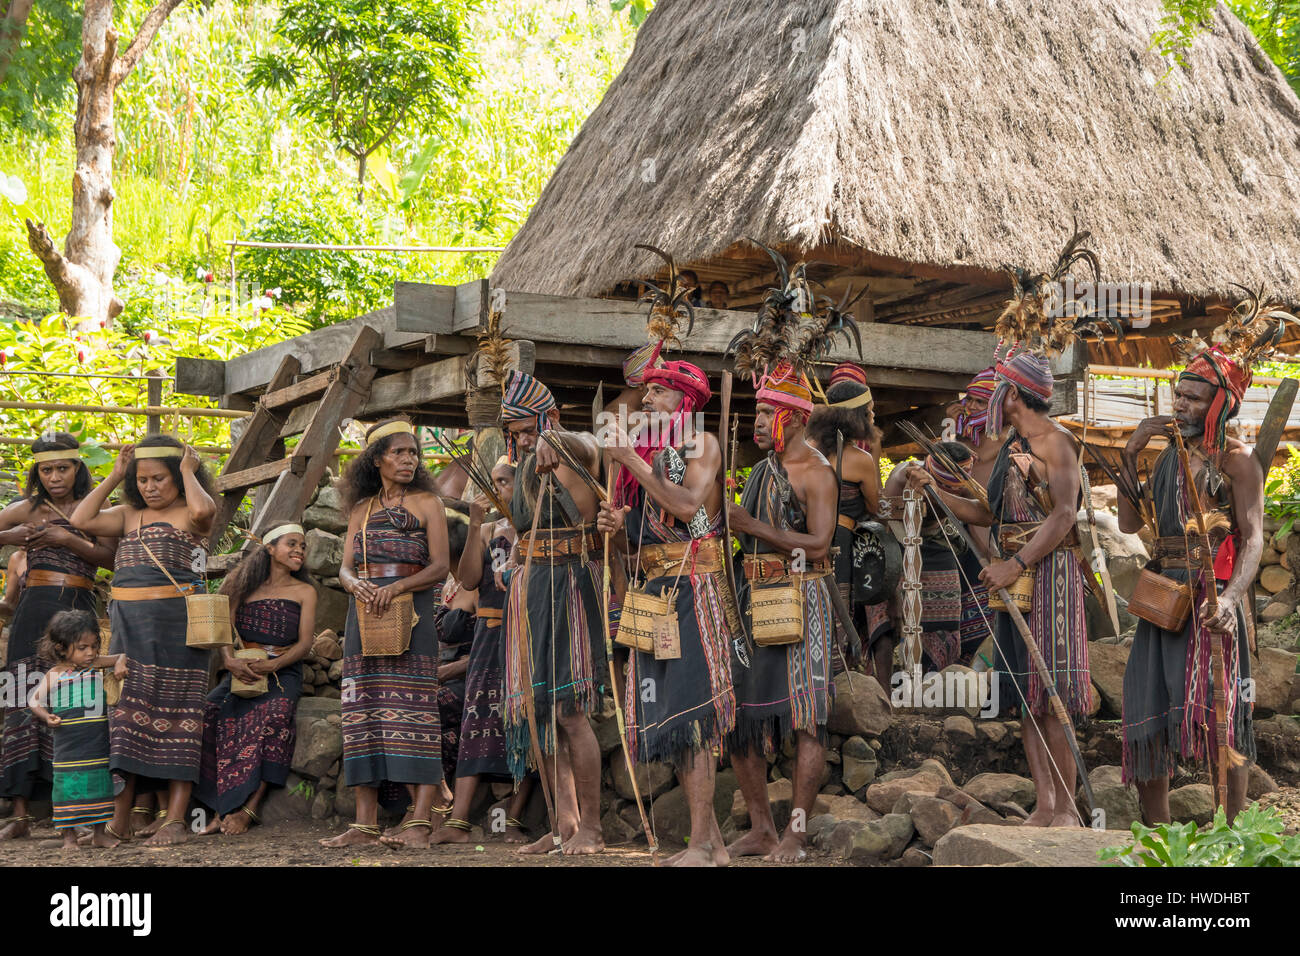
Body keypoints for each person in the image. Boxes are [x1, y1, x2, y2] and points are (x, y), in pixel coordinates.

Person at [915, 350, 1089, 827]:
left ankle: (1070, 809)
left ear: (1012, 394)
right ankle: (1046, 805)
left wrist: (1015, 562)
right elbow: (989, 516)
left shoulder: (1058, 444)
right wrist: (934, 489)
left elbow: (1064, 515)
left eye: (996, 389)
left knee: (1052, 694)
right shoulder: (1006, 448)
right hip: (1013, 576)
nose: (990, 400)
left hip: (1050, 575)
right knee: (1024, 695)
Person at [597, 360, 736, 867]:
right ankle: (712, 845)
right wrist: (618, 521)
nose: (646, 401)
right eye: (646, 392)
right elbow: (648, 527)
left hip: (692, 590)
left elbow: (687, 507)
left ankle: (702, 843)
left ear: (683, 399)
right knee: (675, 719)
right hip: (654, 589)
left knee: (693, 714)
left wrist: (629, 459)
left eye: (657, 392)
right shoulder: (653, 456)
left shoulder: (702, 445)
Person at [1119, 346, 1263, 824]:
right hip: (1163, 597)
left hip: (1212, 598)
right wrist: (1131, 451)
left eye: (1194, 399)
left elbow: (1255, 538)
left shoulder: (1237, 462)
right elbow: (1124, 523)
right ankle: (1158, 834)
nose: (1179, 405)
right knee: (1146, 710)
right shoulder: (1165, 456)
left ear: (1221, 404)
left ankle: (1230, 832)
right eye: (1178, 395)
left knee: (1222, 718)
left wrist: (1231, 599)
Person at [70, 434, 217, 845]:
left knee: (180, 717)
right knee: (124, 719)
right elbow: (81, 520)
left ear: (178, 477)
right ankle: (119, 820)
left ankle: (174, 819)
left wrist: (189, 470)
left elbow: (207, 509)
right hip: (128, 627)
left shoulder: (190, 512)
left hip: (176, 629)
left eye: (161, 479)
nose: (151, 487)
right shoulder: (127, 514)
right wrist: (114, 475)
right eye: (144, 479)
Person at [726, 363, 840, 862]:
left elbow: (818, 545)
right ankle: (760, 830)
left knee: (806, 718)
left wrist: (750, 523)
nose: (758, 419)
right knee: (741, 720)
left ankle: (795, 832)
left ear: (792, 418)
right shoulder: (761, 469)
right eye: (757, 410)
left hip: (803, 600)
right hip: (754, 598)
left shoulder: (817, 471)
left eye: (768, 411)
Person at [320, 418, 450, 850]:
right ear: (376, 460)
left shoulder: (428, 502)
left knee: (416, 713)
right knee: (364, 714)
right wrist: (353, 584)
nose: (409, 460)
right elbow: (343, 566)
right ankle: (364, 823)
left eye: (413, 453)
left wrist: (395, 587)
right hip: (364, 618)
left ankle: (419, 822)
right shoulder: (361, 510)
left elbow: (439, 567)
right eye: (399, 452)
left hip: (412, 616)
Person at [500, 370, 607, 856]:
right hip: (534, 585)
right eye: (516, 433)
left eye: (530, 429)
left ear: (551, 418)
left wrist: (555, 437)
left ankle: (593, 830)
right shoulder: (524, 467)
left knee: (569, 710)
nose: (524, 440)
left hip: (569, 583)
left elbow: (591, 444)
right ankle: (563, 825)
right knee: (539, 710)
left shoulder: (568, 446)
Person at [0, 434, 115, 841]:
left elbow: (110, 558)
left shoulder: (94, 509)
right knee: (19, 701)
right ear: (37, 472)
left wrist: (68, 539)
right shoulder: (25, 509)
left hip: (79, 608)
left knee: (77, 703)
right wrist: (9, 538)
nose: (54, 477)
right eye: (46, 470)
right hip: (33, 609)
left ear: (78, 468)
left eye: (62, 468)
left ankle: (76, 813)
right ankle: (20, 816)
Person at [432, 458, 535, 845]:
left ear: (523, 486)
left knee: (522, 726)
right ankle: (458, 822)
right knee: (476, 725)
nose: (496, 490)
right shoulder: (488, 529)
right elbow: (471, 580)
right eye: (492, 483)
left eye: (504, 482)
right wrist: (475, 523)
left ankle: (513, 819)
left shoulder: (538, 528)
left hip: (525, 634)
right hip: (490, 636)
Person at [198, 522, 316, 834]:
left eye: (302, 546)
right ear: (270, 548)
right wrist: (229, 660)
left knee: (274, 718)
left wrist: (274, 666)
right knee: (208, 713)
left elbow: (304, 644)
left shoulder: (305, 591)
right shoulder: (243, 585)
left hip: (282, 673)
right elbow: (222, 625)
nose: (299, 551)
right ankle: (217, 809)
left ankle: (249, 808)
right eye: (292, 544)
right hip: (242, 670)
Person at [27, 609, 126, 849]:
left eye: (93, 646)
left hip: (96, 742)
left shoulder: (94, 665)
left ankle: (99, 834)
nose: (90, 653)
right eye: (82, 648)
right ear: (62, 648)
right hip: (68, 745)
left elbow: (120, 656)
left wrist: (120, 665)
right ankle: (69, 837)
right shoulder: (55, 674)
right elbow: (33, 700)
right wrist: (46, 716)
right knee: (66, 786)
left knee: (100, 782)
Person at [806, 363, 883, 670]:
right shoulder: (860, 460)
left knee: (812, 608)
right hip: (839, 543)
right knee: (837, 612)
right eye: (870, 411)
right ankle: (835, 680)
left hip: (805, 540)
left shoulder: (807, 451)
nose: (874, 417)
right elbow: (875, 507)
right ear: (856, 417)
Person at [884, 444, 978, 672]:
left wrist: (943, 494)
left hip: (938, 540)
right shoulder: (903, 478)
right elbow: (883, 532)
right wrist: (893, 595)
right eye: (945, 487)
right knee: (891, 620)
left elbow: (984, 515)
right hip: (897, 542)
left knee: (946, 618)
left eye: (955, 489)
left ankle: (938, 682)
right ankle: (890, 688)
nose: (953, 493)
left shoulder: (963, 486)